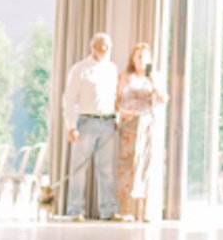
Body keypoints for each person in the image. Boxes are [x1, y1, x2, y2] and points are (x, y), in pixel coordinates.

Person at [62, 32, 120, 221]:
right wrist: (71, 126)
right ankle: (76, 210)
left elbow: (115, 96)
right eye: (101, 47)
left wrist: (117, 117)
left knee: (107, 170)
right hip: (86, 121)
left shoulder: (112, 69)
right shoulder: (80, 69)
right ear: (93, 47)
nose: (104, 51)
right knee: (79, 168)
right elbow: (69, 99)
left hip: (108, 122)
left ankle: (109, 210)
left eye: (107, 48)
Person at [116, 41, 166, 222]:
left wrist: (153, 80)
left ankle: (144, 210)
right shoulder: (125, 76)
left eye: (144, 57)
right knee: (127, 165)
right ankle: (126, 209)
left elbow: (162, 99)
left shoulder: (154, 77)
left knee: (145, 166)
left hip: (146, 125)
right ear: (132, 58)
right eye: (138, 56)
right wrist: (123, 114)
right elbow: (117, 101)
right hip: (129, 125)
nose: (141, 60)